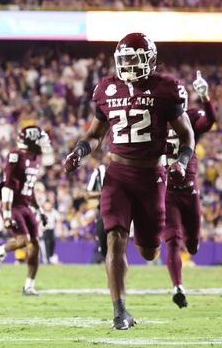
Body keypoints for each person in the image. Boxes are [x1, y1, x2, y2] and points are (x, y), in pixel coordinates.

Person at [63, 32, 195, 330]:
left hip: (152, 177)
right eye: (124, 60)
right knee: (114, 239)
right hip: (118, 174)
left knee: (149, 251)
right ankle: (120, 311)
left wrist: (182, 162)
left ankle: (143, 236)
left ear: (149, 59)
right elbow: (95, 135)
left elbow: (187, 135)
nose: (129, 66)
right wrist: (79, 151)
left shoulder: (166, 88)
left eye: (135, 60)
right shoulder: (106, 88)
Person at [163, 71, 217, 309]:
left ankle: (179, 281)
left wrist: (205, 96)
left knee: (193, 244)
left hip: (189, 190)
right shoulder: (154, 122)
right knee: (173, 240)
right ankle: (177, 286)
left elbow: (209, 121)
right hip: (168, 192)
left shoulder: (192, 117)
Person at [0, 125, 50, 295]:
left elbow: (29, 189)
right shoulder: (15, 156)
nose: (43, 143)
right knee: (23, 240)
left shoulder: (36, 157)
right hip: (12, 205)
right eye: (39, 139)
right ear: (31, 141)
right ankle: (0, 251)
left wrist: (39, 211)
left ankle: (29, 286)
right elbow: (8, 186)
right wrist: (7, 214)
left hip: (25, 205)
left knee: (35, 244)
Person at [85, 162, 107, 263]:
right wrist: (102, 193)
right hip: (103, 208)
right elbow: (88, 193)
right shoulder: (98, 171)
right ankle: (102, 255)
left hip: (120, 209)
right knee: (102, 236)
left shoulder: (124, 166)